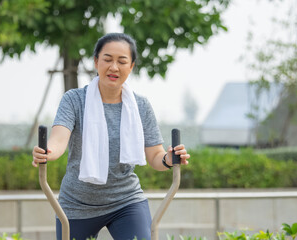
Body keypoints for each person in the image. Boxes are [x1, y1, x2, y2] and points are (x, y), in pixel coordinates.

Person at [32, 32, 190, 240]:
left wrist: (169, 159)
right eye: (107, 60)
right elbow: (59, 140)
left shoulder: (140, 106)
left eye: (122, 61)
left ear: (131, 66)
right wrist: (47, 152)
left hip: (126, 200)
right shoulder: (74, 100)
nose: (114, 67)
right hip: (78, 204)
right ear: (96, 61)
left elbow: (155, 156)